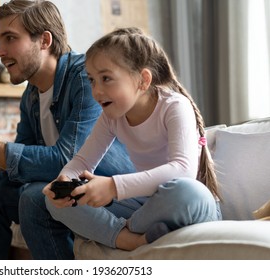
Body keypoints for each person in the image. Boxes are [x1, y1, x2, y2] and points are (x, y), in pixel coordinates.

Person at [0, 0, 134, 259]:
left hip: (110, 194)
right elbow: (17, 176)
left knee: (34, 198)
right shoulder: (31, 96)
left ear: (44, 40)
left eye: (10, 38)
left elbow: (68, 161)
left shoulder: (85, 77)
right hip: (66, 196)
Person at [44, 27, 222, 251]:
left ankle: (125, 229)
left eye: (106, 78)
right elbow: (82, 162)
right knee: (53, 203)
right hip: (144, 205)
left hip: (188, 204)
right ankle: (131, 239)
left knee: (188, 191)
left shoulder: (174, 106)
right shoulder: (112, 116)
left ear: (143, 80)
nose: (96, 91)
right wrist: (65, 182)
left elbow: (182, 170)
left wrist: (113, 186)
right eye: (92, 80)